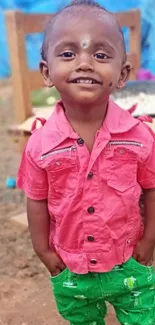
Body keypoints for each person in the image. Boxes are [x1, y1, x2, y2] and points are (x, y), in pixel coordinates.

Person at [17, 0, 155, 324]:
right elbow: (36, 198)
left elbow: (152, 188)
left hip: (129, 264)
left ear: (122, 75)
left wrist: (150, 239)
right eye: (68, 54)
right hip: (71, 268)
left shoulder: (140, 138)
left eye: (101, 55)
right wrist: (43, 250)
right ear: (46, 72)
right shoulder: (40, 145)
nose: (84, 63)